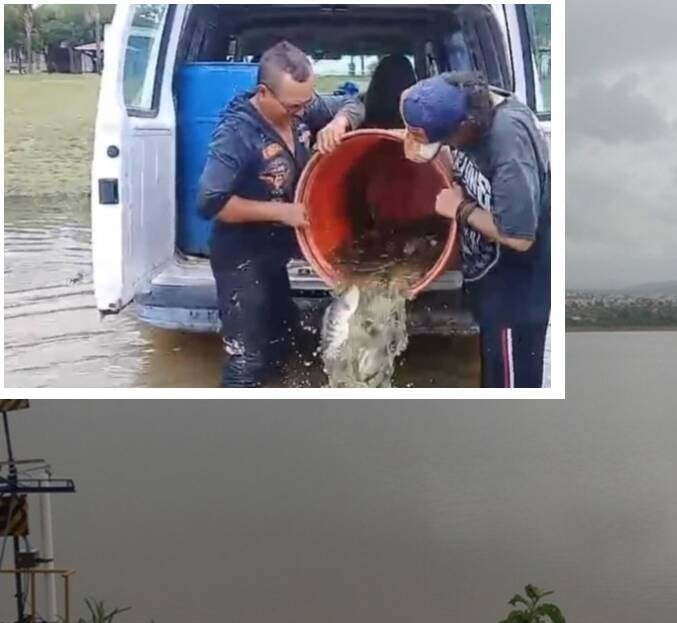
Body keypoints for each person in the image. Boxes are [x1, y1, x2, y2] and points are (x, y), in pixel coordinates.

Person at [196, 41, 364, 388]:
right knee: (248, 356)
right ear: (264, 93)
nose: (303, 112)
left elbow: (354, 102)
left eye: (308, 103)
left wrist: (339, 123)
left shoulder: (303, 105)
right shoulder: (236, 134)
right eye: (293, 106)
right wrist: (282, 211)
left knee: (284, 334)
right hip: (241, 255)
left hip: (276, 249)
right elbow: (210, 203)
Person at [399, 72, 551, 389]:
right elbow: (409, 98)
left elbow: (520, 237)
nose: (448, 149)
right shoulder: (461, 92)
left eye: (448, 142)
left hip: (515, 295)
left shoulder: (507, 143)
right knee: (491, 374)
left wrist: (460, 209)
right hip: (489, 282)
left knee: (510, 384)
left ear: (466, 125)